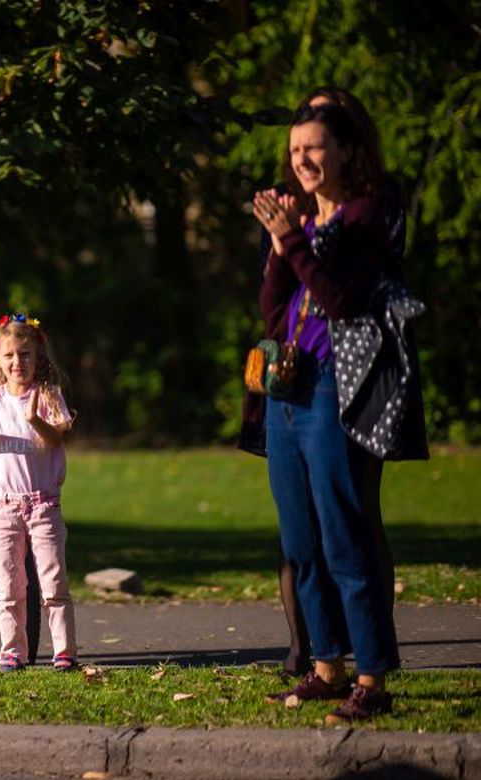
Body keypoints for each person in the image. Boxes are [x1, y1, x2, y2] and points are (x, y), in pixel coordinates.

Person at [252, 99, 427, 723]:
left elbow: (338, 297)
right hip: (284, 389)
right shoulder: (306, 220)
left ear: (345, 152)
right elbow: (274, 314)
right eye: (295, 150)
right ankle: (325, 667)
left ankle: (373, 677)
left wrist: (293, 239)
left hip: (333, 389)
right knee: (300, 541)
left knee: (343, 535)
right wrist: (281, 245)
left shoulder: (363, 217)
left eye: (314, 148)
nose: (302, 159)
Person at [0, 314, 76, 672]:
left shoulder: (47, 394)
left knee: (53, 582)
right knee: (10, 586)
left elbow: (57, 437)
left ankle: (64, 652)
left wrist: (34, 419)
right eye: (10, 355)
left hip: (43, 504)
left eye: (25, 354)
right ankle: (12, 650)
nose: (18, 362)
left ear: (37, 356)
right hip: (4, 506)